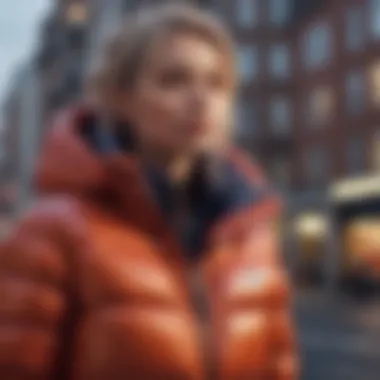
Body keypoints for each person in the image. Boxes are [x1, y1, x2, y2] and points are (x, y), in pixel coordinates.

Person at [0, 4, 298, 379]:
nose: (201, 98)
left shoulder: (250, 230)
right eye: (174, 80)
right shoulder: (52, 232)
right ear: (122, 97)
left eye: (217, 83)